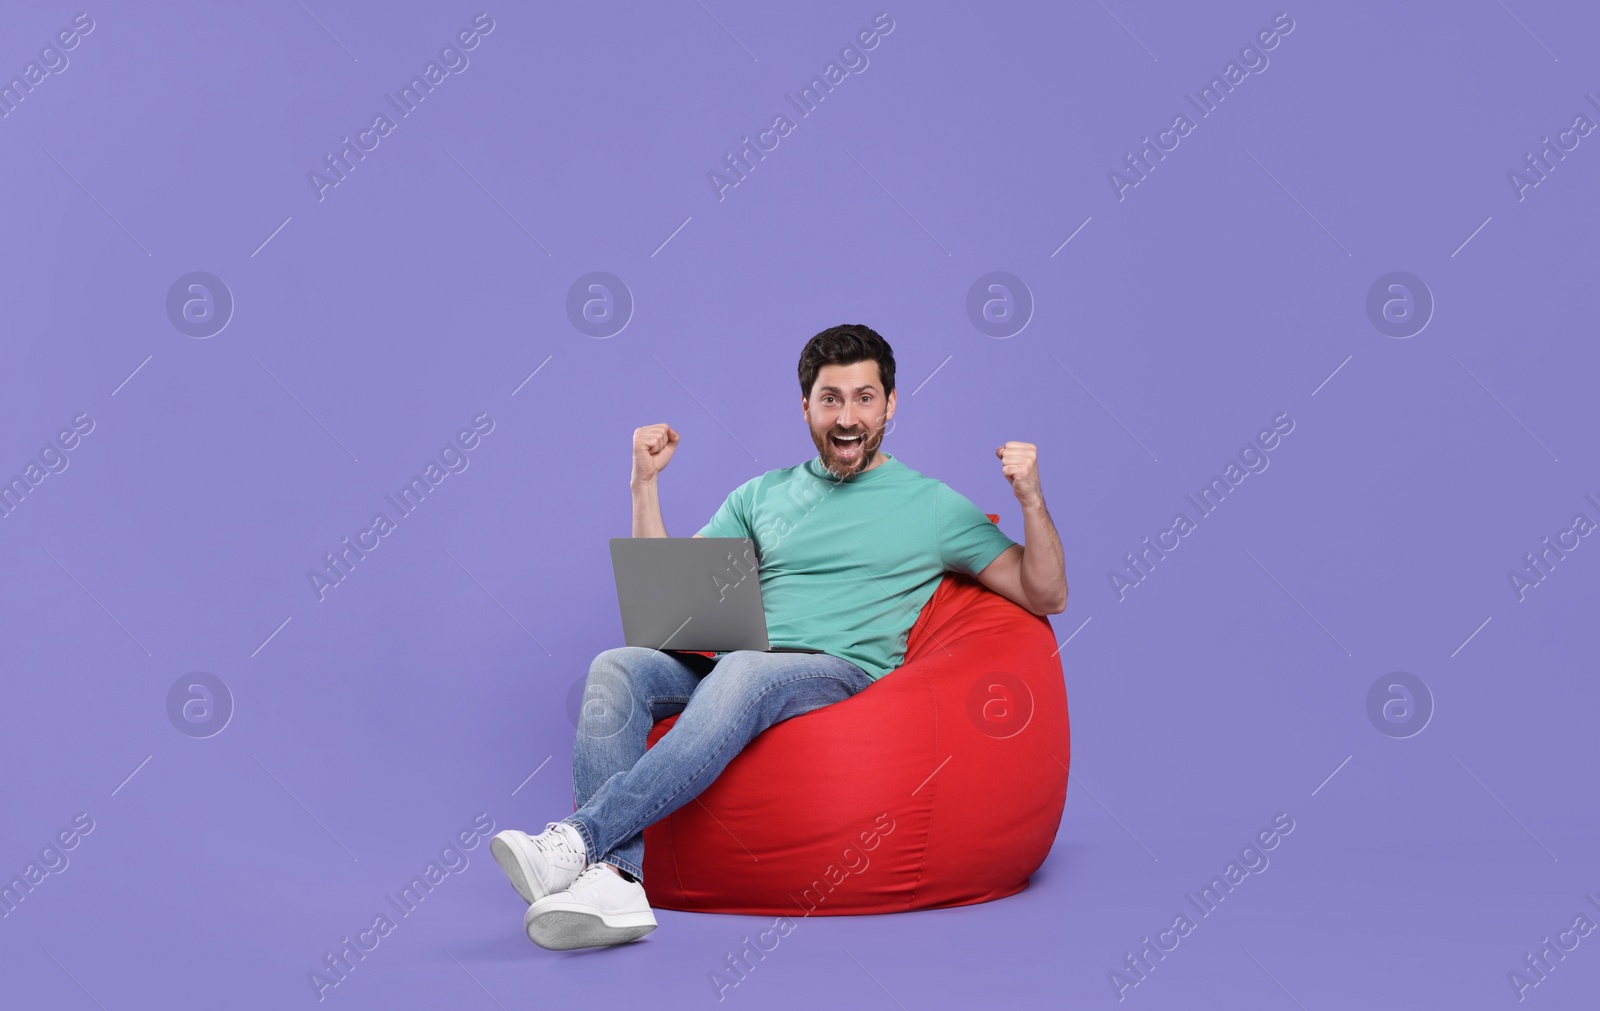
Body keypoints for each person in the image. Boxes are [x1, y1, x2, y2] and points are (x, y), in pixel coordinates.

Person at [492, 323, 1067, 950]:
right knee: (616, 667)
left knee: (742, 672)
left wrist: (1032, 501)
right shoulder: (761, 495)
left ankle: (579, 841)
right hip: (737, 661)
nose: (847, 418)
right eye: (830, 399)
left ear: (891, 404)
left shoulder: (931, 506)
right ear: (805, 407)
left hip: (837, 672)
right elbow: (668, 602)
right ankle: (618, 880)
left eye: (864, 398)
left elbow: (1045, 594)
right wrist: (644, 483)